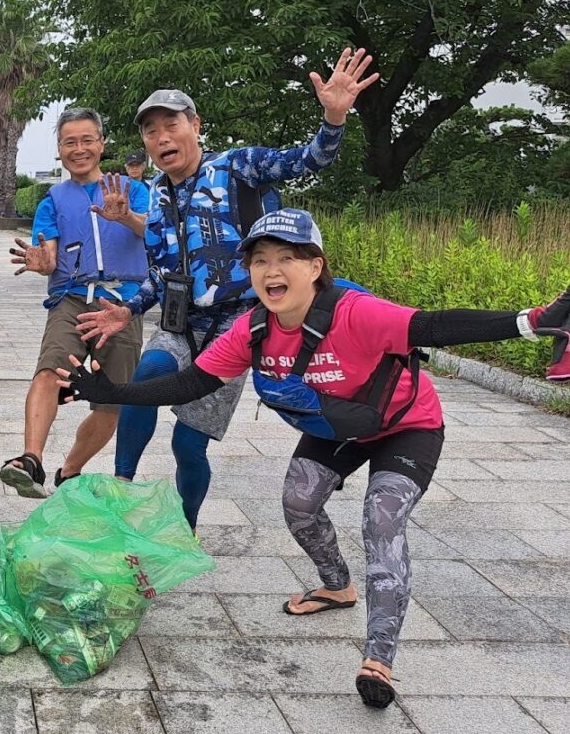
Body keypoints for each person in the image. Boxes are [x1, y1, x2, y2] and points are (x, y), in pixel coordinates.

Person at [58, 208, 570, 707]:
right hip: (335, 428)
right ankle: (335, 585)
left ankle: (379, 658)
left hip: (405, 427)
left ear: (315, 266)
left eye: (286, 258)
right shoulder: (250, 331)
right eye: (258, 261)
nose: (270, 270)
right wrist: (105, 389)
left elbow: (437, 325)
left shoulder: (358, 313)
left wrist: (531, 320)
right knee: (299, 504)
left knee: (381, 517)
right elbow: (186, 385)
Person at [78, 48, 378, 530]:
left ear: (195, 125)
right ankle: (121, 491)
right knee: (144, 379)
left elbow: (308, 160)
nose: (160, 138)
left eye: (170, 124)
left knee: (187, 443)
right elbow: (162, 273)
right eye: (150, 130)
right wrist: (128, 311)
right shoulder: (157, 192)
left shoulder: (238, 167)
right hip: (182, 322)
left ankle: (185, 528)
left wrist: (334, 116)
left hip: (238, 328)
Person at [2, 107, 150, 497]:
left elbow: (153, 231)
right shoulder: (52, 199)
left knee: (112, 401)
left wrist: (127, 217)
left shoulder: (131, 188)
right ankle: (30, 460)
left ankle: (70, 470)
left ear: (101, 144)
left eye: (87, 140)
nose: (79, 149)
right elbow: (48, 251)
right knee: (49, 372)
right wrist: (42, 262)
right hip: (71, 298)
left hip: (122, 304)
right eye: (70, 142)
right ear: (59, 149)